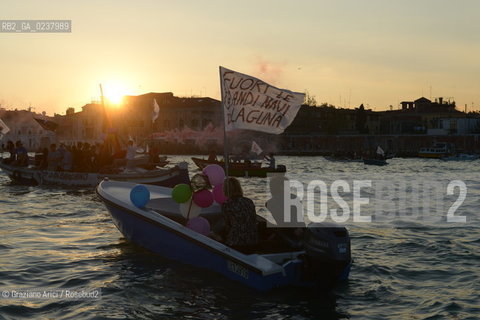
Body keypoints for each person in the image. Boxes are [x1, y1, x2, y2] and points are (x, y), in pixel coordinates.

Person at [220, 177, 258, 252]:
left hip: (236, 242)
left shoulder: (226, 204)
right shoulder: (249, 201)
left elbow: (227, 225)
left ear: (226, 190)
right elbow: (254, 219)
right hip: (252, 239)